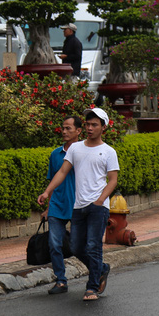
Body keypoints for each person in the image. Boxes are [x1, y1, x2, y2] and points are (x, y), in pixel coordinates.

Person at [37, 108, 119, 301]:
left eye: (94, 125)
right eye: (88, 124)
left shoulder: (108, 151)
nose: (90, 128)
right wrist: (47, 191)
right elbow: (62, 172)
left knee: (93, 245)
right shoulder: (75, 149)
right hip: (78, 206)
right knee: (75, 247)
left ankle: (92, 288)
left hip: (98, 207)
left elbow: (113, 180)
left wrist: (100, 201)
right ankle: (102, 268)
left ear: (103, 127)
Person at [42, 116, 83, 295]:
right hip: (57, 206)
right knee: (54, 244)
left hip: (78, 205)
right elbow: (53, 181)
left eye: (68, 128)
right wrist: (48, 206)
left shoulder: (84, 152)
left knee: (78, 246)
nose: (64, 132)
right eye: (63, 128)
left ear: (78, 131)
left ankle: (96, 273)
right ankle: (61, 280)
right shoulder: (55, 154)